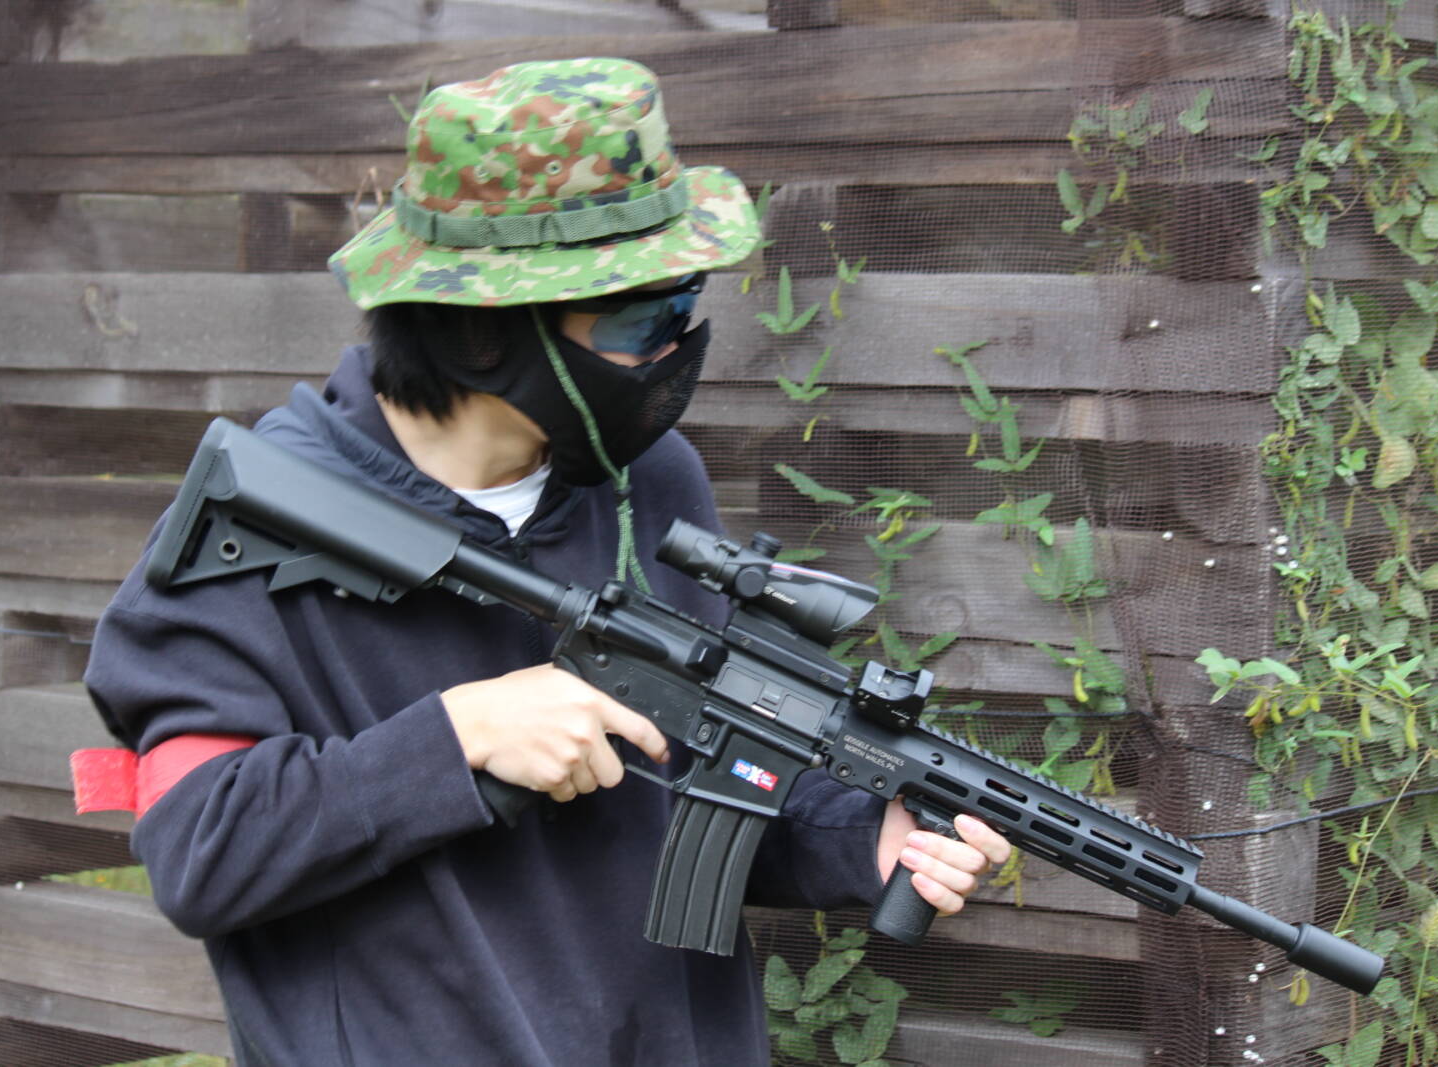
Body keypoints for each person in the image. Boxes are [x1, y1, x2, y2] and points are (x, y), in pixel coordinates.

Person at [79, 57, 1010, 1066]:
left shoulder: (652, 482)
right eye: (640, 320)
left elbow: (700, 786)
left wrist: (857, 836)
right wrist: (458, 737)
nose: (675, 349)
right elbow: (201, 849)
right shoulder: (257, 526)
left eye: (685, 305)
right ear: (484, 336)